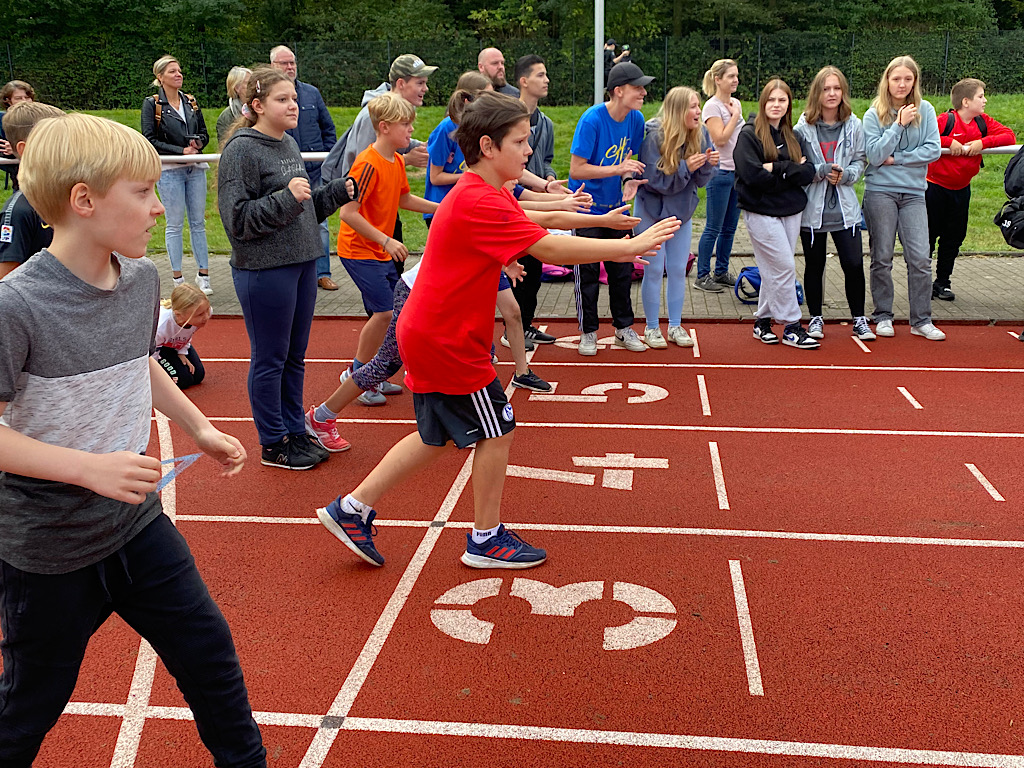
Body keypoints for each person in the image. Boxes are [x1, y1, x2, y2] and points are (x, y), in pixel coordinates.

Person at [0, 112, 266, 768]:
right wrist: (87, 469)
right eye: (143, 192)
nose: (158, 209)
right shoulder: (17, 307)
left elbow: (136, 360)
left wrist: (197, 425)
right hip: (48, 550)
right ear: (84, 200)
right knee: (32, 701)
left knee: (209, 655)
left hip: (137, 526)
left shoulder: (143, 281)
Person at [314, 92, 679, 569]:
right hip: (445, 339)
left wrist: (600, 222)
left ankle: (352, 508)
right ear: (488, 146)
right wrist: (623, 248)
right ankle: (485, 540)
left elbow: (541, 217)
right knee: (498, 427)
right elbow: (548, 248)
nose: (529, 151)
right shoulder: (478, 201)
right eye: (521, 142)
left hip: (433, 332)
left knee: (436, 435)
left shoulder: (482, 192)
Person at [218, 67, 357, 470]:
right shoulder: (242, 150)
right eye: (282, 100)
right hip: (264, 270)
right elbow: (237, 221)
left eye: (294, 98)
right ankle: (273, 441)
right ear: (257, 106)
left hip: (300, 264)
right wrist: (286, 199)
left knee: (295, 356)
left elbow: (303, 208)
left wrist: (333, 193)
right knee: (270, 358)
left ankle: (295, 428)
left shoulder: (289, 144)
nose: (293, 105)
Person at [337, 92, 437, 406]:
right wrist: (386, 240)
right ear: (383, 127)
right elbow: (347, 213)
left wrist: (443, 207)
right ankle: (357, 374)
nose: (410, 130)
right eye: (405, 124)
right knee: (384, 312)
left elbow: (403, 199)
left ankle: (371, 374)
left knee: (393, 312)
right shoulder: (367, 163)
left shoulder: (394, 159)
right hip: (358, 250)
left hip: (378, 250)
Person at [568, 61, 653, 356]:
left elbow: (630, 161)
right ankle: (588, 331)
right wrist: (617, 169)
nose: (643, 92)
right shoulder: (592, 119)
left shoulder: (636, 119)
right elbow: (577, 170)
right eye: (637, 87)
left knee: (622, 269)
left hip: (618, 208)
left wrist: (629, 179)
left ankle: (623, 327)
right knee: (587, 272)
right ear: (619, 91)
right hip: (587, 208)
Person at [863, 55, 944, 340]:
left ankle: (921, 319)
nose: (902, 84)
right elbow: (873, 156)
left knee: (920, 257)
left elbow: (933, 150)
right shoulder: (874, 114)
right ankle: (883, 314)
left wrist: (897, 159)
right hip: (880, 192)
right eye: (896, 79)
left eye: (908, 79)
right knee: (882, 257)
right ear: (887, 80)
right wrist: (898, 124)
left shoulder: (927, 110)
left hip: (913, 194)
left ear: (915, 82)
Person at [734, 79, 818, 349]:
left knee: (774, 268)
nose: (777, 105)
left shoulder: (793, 135)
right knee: (784, 266)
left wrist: (777, 168)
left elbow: (809, 172)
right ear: (763, 102)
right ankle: (792, 325)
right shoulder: (748, 135)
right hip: (760, 211)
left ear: (789, 105)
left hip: (791, 210)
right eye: (772, 100)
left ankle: (762, 321)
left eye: (782, 100)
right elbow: (752, 175)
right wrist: (789, 170)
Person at [794, 66, 874, 342]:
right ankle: (815, 317)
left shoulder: (855, 124)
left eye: (836, 88)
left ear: (844, 92)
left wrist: (847, 175)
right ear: (817, 92)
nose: (832, 94)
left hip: (845, 209)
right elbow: (799, 169)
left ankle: (859, 319)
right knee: (814, 266)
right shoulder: (802, 128)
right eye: (826, 89)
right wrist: (821, 171)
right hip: (812, 211)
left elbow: (860, 160)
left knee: (853, 264)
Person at [636, 86, 718, 349]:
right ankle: (651, 327)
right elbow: (654, 181)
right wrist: (686, 166)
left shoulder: (701, 133)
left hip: (681, 211)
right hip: (651, 210)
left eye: (699, 105)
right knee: (654, 269)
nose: (698, 112)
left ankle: (675, 325)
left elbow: (700, 182)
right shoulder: (654, 136)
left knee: (677, 270)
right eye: (693, 107)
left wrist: (708, 165)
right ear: (678, 110)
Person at [926, 78, 1015, 301]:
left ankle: (942, 282)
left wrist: (981, 144)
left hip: (961, 190)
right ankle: (921, 282)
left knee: (954, 238)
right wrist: (948, 142)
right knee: (927, 237)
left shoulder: (982, 122)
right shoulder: (945, 120)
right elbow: (924, 137)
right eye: (980, 96)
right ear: (966, 101)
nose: (985, 100)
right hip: (934, 189)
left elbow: (1008, 135)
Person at [270, 45, 340, 291]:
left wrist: (325, 157)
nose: (290, 67)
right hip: (284, 173)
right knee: (287, 221)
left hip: (314, 171)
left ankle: (322, 272)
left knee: (319, 223)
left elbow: (328, 128)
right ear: (273, 67)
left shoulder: (311, 94)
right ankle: (294, 274)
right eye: (284, 63)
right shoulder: (269, 99)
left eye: (293, 63)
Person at [141, 55, 212, 295]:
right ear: (160, 77)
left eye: (179, 70)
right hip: (170, 169)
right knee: (174, 224)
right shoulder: (152, 104)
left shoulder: (190, 101)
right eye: (172, 71)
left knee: (197, 222)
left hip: (194, 167)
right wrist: (179, 150)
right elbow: (149, 139)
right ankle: (177, 277)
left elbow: (204, 132)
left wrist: (198, 143)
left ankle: (204, 275)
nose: (178, 74)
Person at [512, 54, 559, 348]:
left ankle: (525, 324)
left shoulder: (547, 123)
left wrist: (550, 179)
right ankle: (512, 329)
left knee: (535, 269)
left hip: (539, 198)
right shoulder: (507, 119)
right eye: (540, 75)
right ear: (524, 81)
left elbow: (549, 160)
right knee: (519, 268)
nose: (547, 80)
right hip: (516, 199)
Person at [0, 102, 65, 279]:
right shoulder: (19, 211)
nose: (69, 147)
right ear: (26, 149)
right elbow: (6, 278)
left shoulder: (72, 196)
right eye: (58, 140)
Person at [696, 58, 743, 293]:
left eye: (736, 75)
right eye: (731, 76)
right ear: (718, 79)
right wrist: (734, 116)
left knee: (730, 228)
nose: (736, 80)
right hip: (720, 172)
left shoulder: (736, 103)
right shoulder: (712, 107)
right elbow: (720, 138)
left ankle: (721, 271)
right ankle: (702, 275)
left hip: (737, 173)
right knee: (713, 227)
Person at [154, 282, 211, 390]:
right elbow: (151, 354)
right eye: (200, 314)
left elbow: (188, 333)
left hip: (175, 344)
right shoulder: (161, 326)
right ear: (179, 315)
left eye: (207, 310)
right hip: (158, 348)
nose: (206, 317)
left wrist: (182, 352)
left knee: (198, 375)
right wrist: (155, 377)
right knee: (183, 380)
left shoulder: (200, 315)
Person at [0, 80, 33, 187]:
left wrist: (17, 149)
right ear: (8, 101)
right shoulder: (2, 120)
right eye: (18, 98)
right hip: (17, 172)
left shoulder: (42, 117)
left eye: (27, 97)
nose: (24, 101)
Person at [217, 66, 252, 142]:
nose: (254, 86)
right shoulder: (226, 117)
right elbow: (225, 146)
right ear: (237, 88)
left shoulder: (262, 109)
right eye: (249, 83)